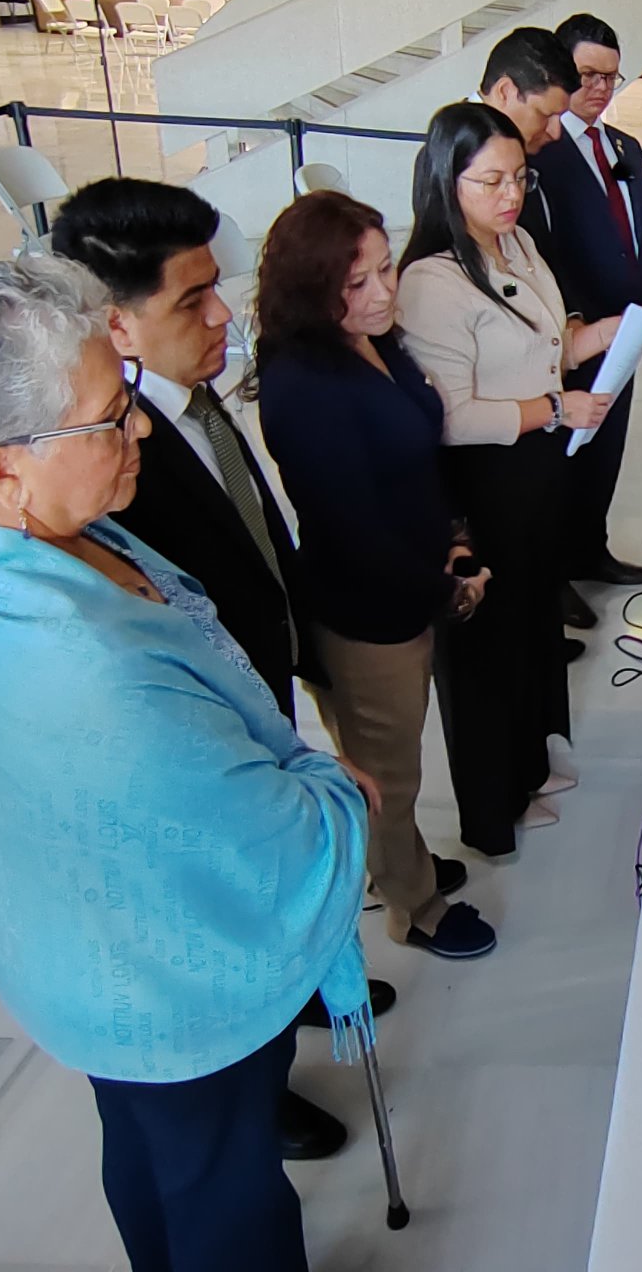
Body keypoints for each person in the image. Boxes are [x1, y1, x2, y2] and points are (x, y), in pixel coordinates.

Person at [0, 259, 377, 1272]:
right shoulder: (82, 666)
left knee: (155, 1152)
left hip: (77, 937)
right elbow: (275, 843)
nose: (140, 428)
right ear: (2, 470)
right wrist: (343, 795)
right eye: (109, 418)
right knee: (221, 1186)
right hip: (164, 970)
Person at [49, 176, 370, 1161]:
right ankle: (259, 1088)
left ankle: (305, 986)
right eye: (191, 300)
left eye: (216, 286)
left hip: (257, 684)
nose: (223, 313)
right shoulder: (108, 468)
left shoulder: (194, 401)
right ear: (117, 324)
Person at [252, 191, 497, 960]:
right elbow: (355, 525)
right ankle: (414, 908)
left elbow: (415, 461)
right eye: (358, 283)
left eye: (385, 269)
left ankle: (403, 864)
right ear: (313, 289)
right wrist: (444, 590)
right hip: (365, 610)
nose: (384, 292)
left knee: (400, 761)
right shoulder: (304, 384)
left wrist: (454, 543)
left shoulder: (375, 342)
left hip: (411, 579)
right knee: (385, 775)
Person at [397, 103, 638, 853]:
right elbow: (452, 416)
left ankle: (531, 766)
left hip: (537, 471)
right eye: (491, 181)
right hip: (485, 483)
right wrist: (554, 409)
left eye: (519, 178)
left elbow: (544, 345)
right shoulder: (431, 282)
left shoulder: (519, 245)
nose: (510, 195)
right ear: (446, 181)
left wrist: (600, 337)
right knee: (488, 651)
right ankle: (490, 808)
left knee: (534, 624)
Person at [537, 12, 642, 610]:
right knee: (564, 452)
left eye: (611, 78)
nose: (601, 89)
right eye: (589, 75)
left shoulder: (622, 146)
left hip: (628, 327)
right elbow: (542, 249)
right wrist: (577, 323)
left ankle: (592, 548)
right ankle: (554, 569)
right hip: (576, 332)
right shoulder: (540, 150)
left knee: (608, 442)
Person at [479, 24, 579, 254]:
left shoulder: (533, 149)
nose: (555, 133)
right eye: (545, 115)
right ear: (505, 92)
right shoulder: (453, 154)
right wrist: (518, 289)